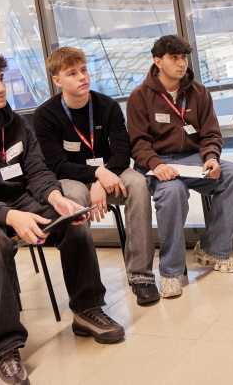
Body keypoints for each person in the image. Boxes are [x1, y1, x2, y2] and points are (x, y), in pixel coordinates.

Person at [0, 47, 123, 385]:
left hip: (17, 200)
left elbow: (37, 171)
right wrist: (9, 216)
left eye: (1, 78)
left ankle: (86, 309)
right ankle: (5, 347)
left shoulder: (14, 122)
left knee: (73, 220)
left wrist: (56, 198)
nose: (1, 87)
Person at [33, 47, 158, 305]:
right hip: (72, 176)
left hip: (110, 170)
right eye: (72, 73)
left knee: (137, 184)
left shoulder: (107, 105)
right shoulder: (45, 115)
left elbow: (123, 151)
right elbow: (57, 165)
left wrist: (102, 178)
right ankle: (87, 289)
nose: (82, 77)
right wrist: (96, 175)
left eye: (84, 70)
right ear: (57, 81)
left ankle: (141, 276)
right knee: (75, 200)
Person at [126, 35, 233, 298]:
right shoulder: (140, 96)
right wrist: (157, 165)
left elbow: (211, 134)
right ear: (158, 61)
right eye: (174, 58)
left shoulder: (198, 92)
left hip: (193, 160)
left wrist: (212, 157)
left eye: (184, 57)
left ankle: (212, 250)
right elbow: (138, 143)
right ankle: (170, 273)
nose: (181, 63)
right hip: (155, 163)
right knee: (172, 192)